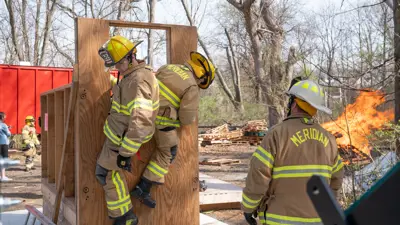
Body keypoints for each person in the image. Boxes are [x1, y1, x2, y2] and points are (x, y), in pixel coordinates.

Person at [241, 79, 344, 225]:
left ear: (293, 104)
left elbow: (259, 174)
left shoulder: (276, 134)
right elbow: (337, 179)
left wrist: (248, 207)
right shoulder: (329, 139)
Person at [130, 51, 215, 208]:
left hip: (143, 112)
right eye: (202, 81)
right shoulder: (191, 86)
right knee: (168, 152)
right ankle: (142, 188)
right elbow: (186, 119)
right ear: (202, 75)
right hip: (162, 121)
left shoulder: (168, 67)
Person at [95, 35, 159, 225]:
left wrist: (125, 153)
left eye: (119, 63)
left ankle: (125, 218)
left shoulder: (138, 80)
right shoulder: (130, 76)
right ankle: (125, 216)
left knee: (105, 174)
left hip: (123, 140)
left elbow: (141, 121)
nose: (116, 68)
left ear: (131, 57)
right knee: (106, 174)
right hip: (117, 135)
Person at [0, 112, 12, 181]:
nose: (5, 118)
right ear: (2, 117)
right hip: (3, 144)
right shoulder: (3, 125)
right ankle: (3, 176)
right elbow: (8, 134)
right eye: (4, 117)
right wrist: (8, 129)